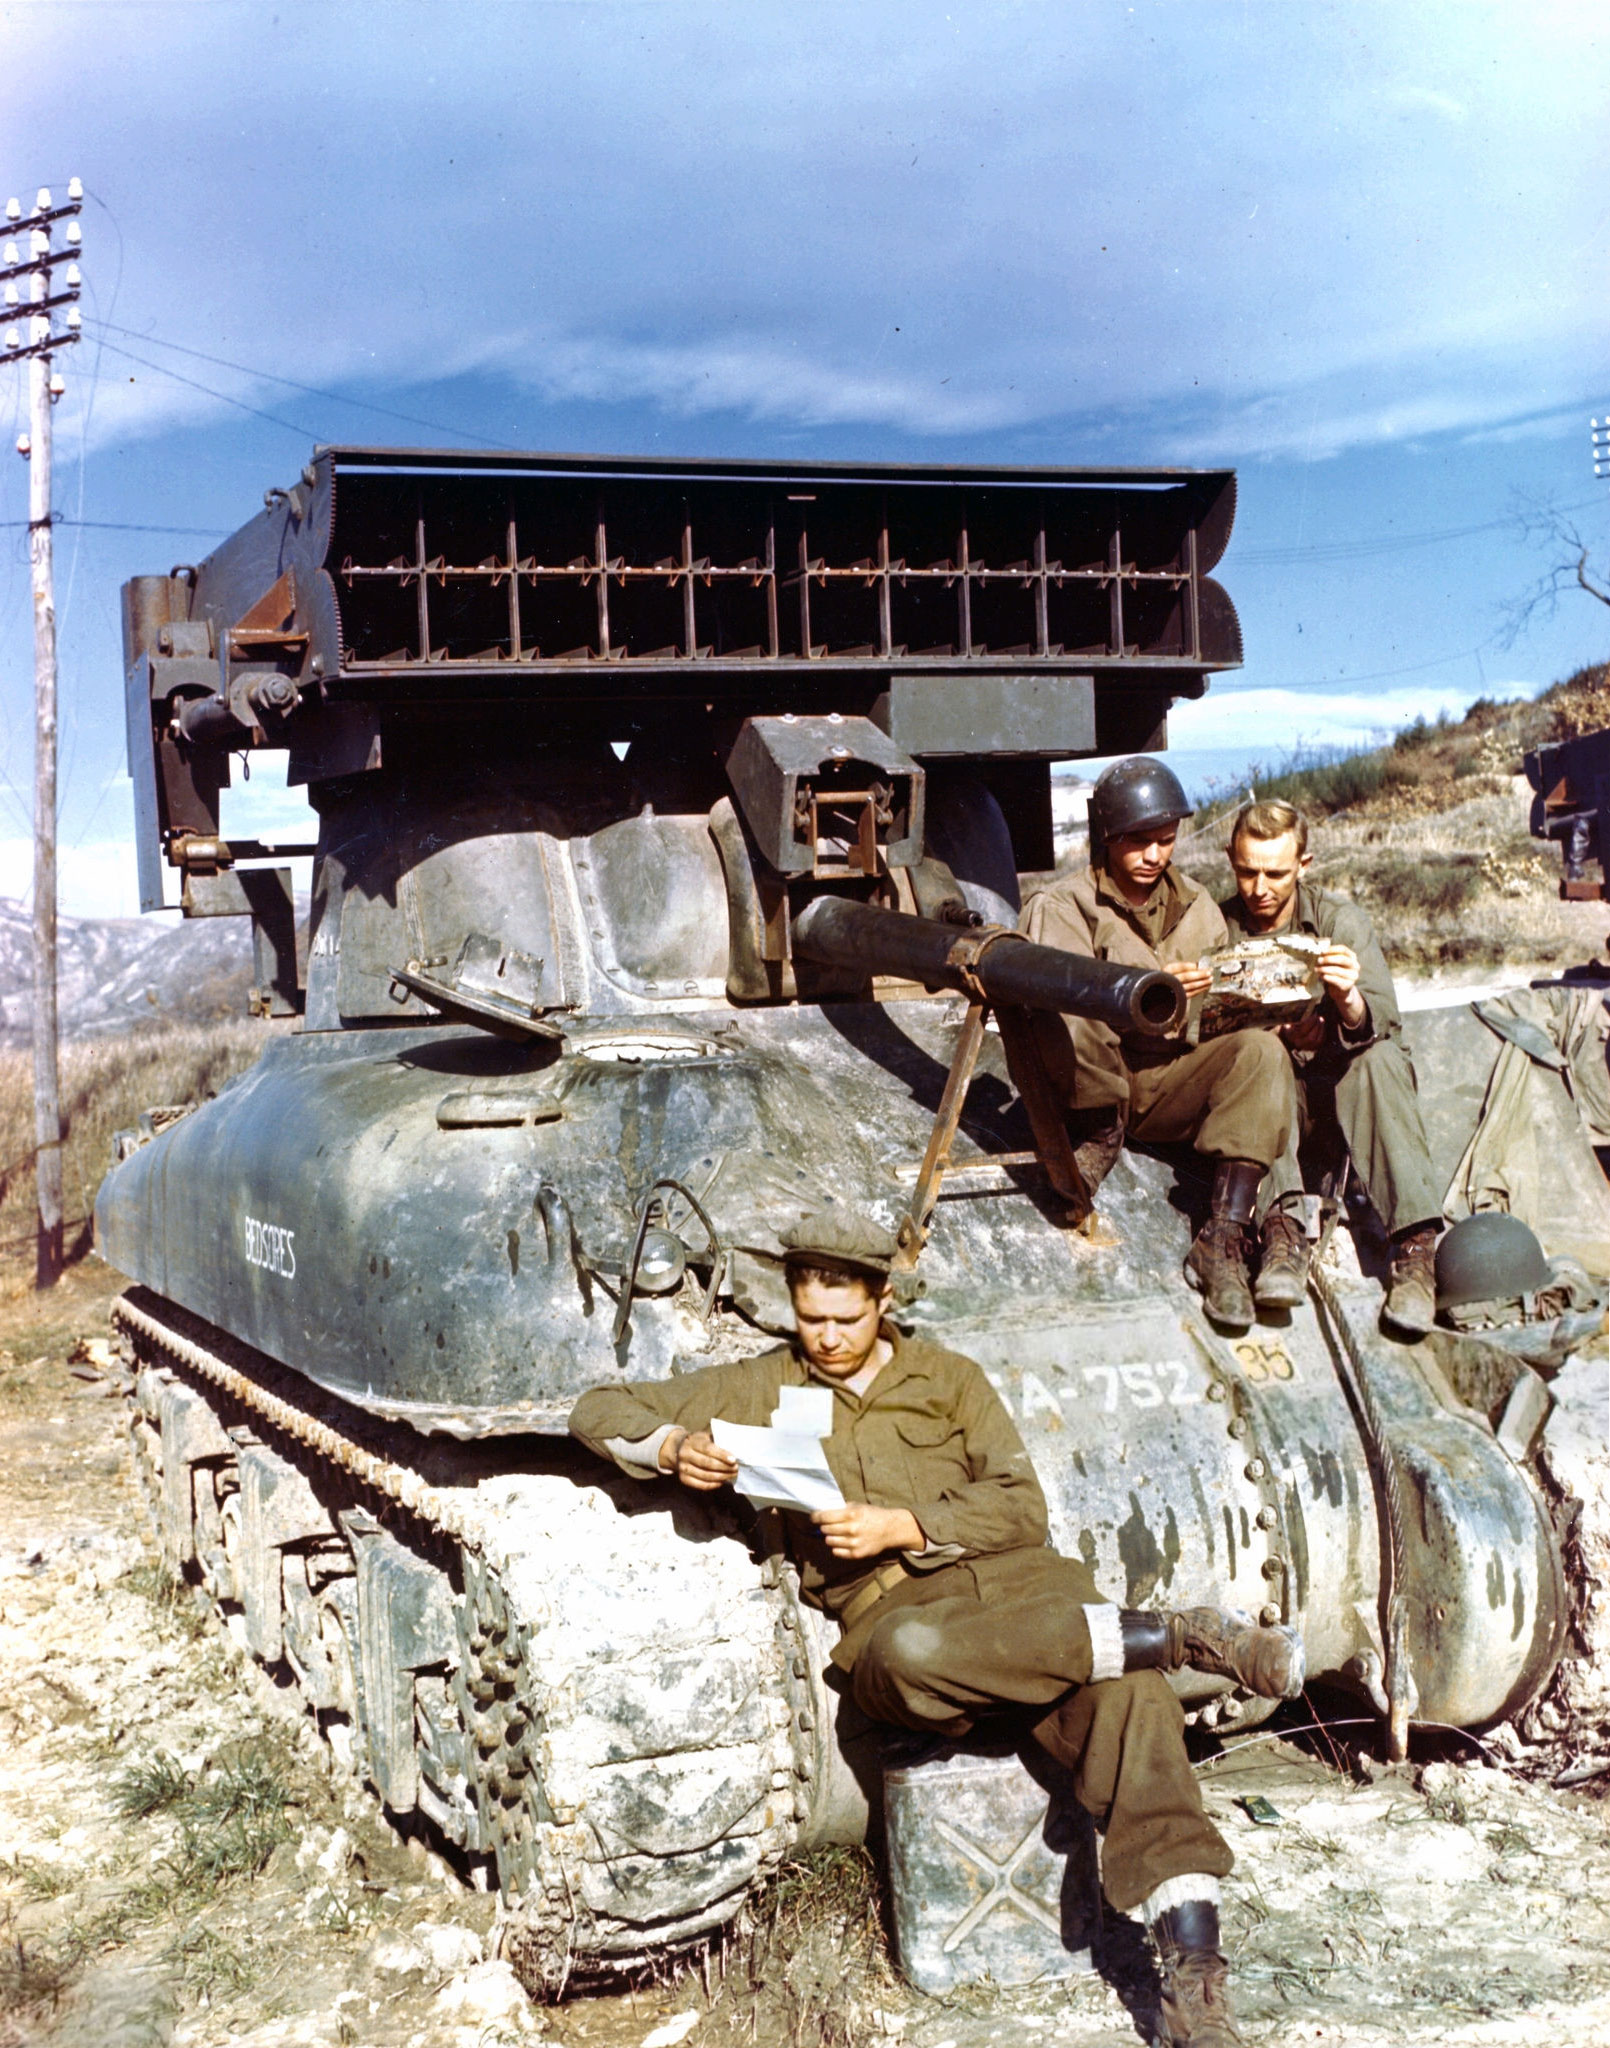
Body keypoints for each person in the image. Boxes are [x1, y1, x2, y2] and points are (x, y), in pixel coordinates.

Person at [570, 1208, 1306, 2048]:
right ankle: (1180, 1638)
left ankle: (1196, 1997)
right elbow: (598, 1409)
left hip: (1025, 1597)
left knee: (1136, 1703)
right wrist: (671, 1448)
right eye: (811, 1320)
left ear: (883, 1300)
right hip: (904, 1624)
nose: (829, 1338)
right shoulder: (764, 1383)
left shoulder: (949, 1379)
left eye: (847, 1319)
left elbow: (1020, 1509)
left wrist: (904, 1525)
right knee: (912, 1655)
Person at [1020, 756, 1296, 1332]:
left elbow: (1222, 1022)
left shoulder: (1199, 907)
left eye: (1166, 841)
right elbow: (1059, 1014)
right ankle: (1099, 1131)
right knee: (1066, 994)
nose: (1154, 856)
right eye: (1138, 842)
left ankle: (1224, 1235)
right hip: (1099, 1079)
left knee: (1261, 1051)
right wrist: (1149, 996)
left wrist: (1212, 1001)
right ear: (1107, 838)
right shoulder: (1063, 906)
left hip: (1171, 1079)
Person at [1220, 798, 1443, 1335]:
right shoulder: (1215, 922)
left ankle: (1415, 1254)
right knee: (1262, 1062)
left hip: (1341, 1109)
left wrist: (1346, 1003)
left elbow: (1383, 1023)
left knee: (1382, 1057)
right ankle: (1283, 1233)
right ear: (1231, 860)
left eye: (1276, 872)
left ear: (1305, 864)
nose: (1260, 888)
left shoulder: (1342, 922)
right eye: (1247, 871)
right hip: (1262, 1115)